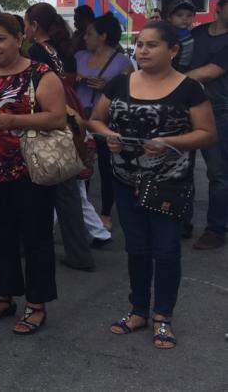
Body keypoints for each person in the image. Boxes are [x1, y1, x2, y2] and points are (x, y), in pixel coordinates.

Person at [88, 21, 216, 349]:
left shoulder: (189, 89)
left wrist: (170, 142)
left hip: (168, 184)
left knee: (167, 250)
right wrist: (109, 136)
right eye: (140, 44)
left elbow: (207, 134)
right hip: (125, 180)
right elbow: (95, 119)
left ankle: (163, 316)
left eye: (151, 45)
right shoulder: (119, 83)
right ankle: (138, 310)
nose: (142, 51)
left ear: (173, 50)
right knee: (137, 248)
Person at [0, 13, 66, 335]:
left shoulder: (41, 74)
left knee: (36, 239)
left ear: (19, 38)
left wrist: (14, 122)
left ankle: (36, 304)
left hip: (30, 170)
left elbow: (57, 118)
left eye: (0, 39)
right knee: (3, 237)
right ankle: (4, 296)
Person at [25, 2, 96, 271]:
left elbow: (36, 92)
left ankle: (31, 247)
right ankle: (79, 252)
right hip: (71, 120)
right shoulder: (63, 49)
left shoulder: (34, 53)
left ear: (34, 26)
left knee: (37, 188)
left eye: (26, 24)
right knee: (68, 193)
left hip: (48, 122)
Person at [75, 13, 134, 228]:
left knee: (106, 167)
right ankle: (84, 211)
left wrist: (107, 86)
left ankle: (106, 212)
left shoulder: (122, 62)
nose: (84, 37)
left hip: (105, 120)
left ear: (103, 36)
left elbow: (130, 91)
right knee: (82, 166)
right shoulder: (79, 57)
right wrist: (77, 79)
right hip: (80, 118)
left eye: (89, 33)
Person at [186, 0, 228, 250]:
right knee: (181, 169)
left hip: (219, 113)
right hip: (188, 108)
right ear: (220, 7)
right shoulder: (197, 34)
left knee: (218, 174)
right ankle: (181, 222)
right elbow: (179, 59)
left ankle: (215, 229)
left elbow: (210, 72)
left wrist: (172, 80)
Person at [167, 0, 196, 73]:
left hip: (188, 70)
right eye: (179, 15)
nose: (184, 18)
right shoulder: (166, 35)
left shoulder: (195, 33)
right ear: (169, 18)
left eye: (189, 15)